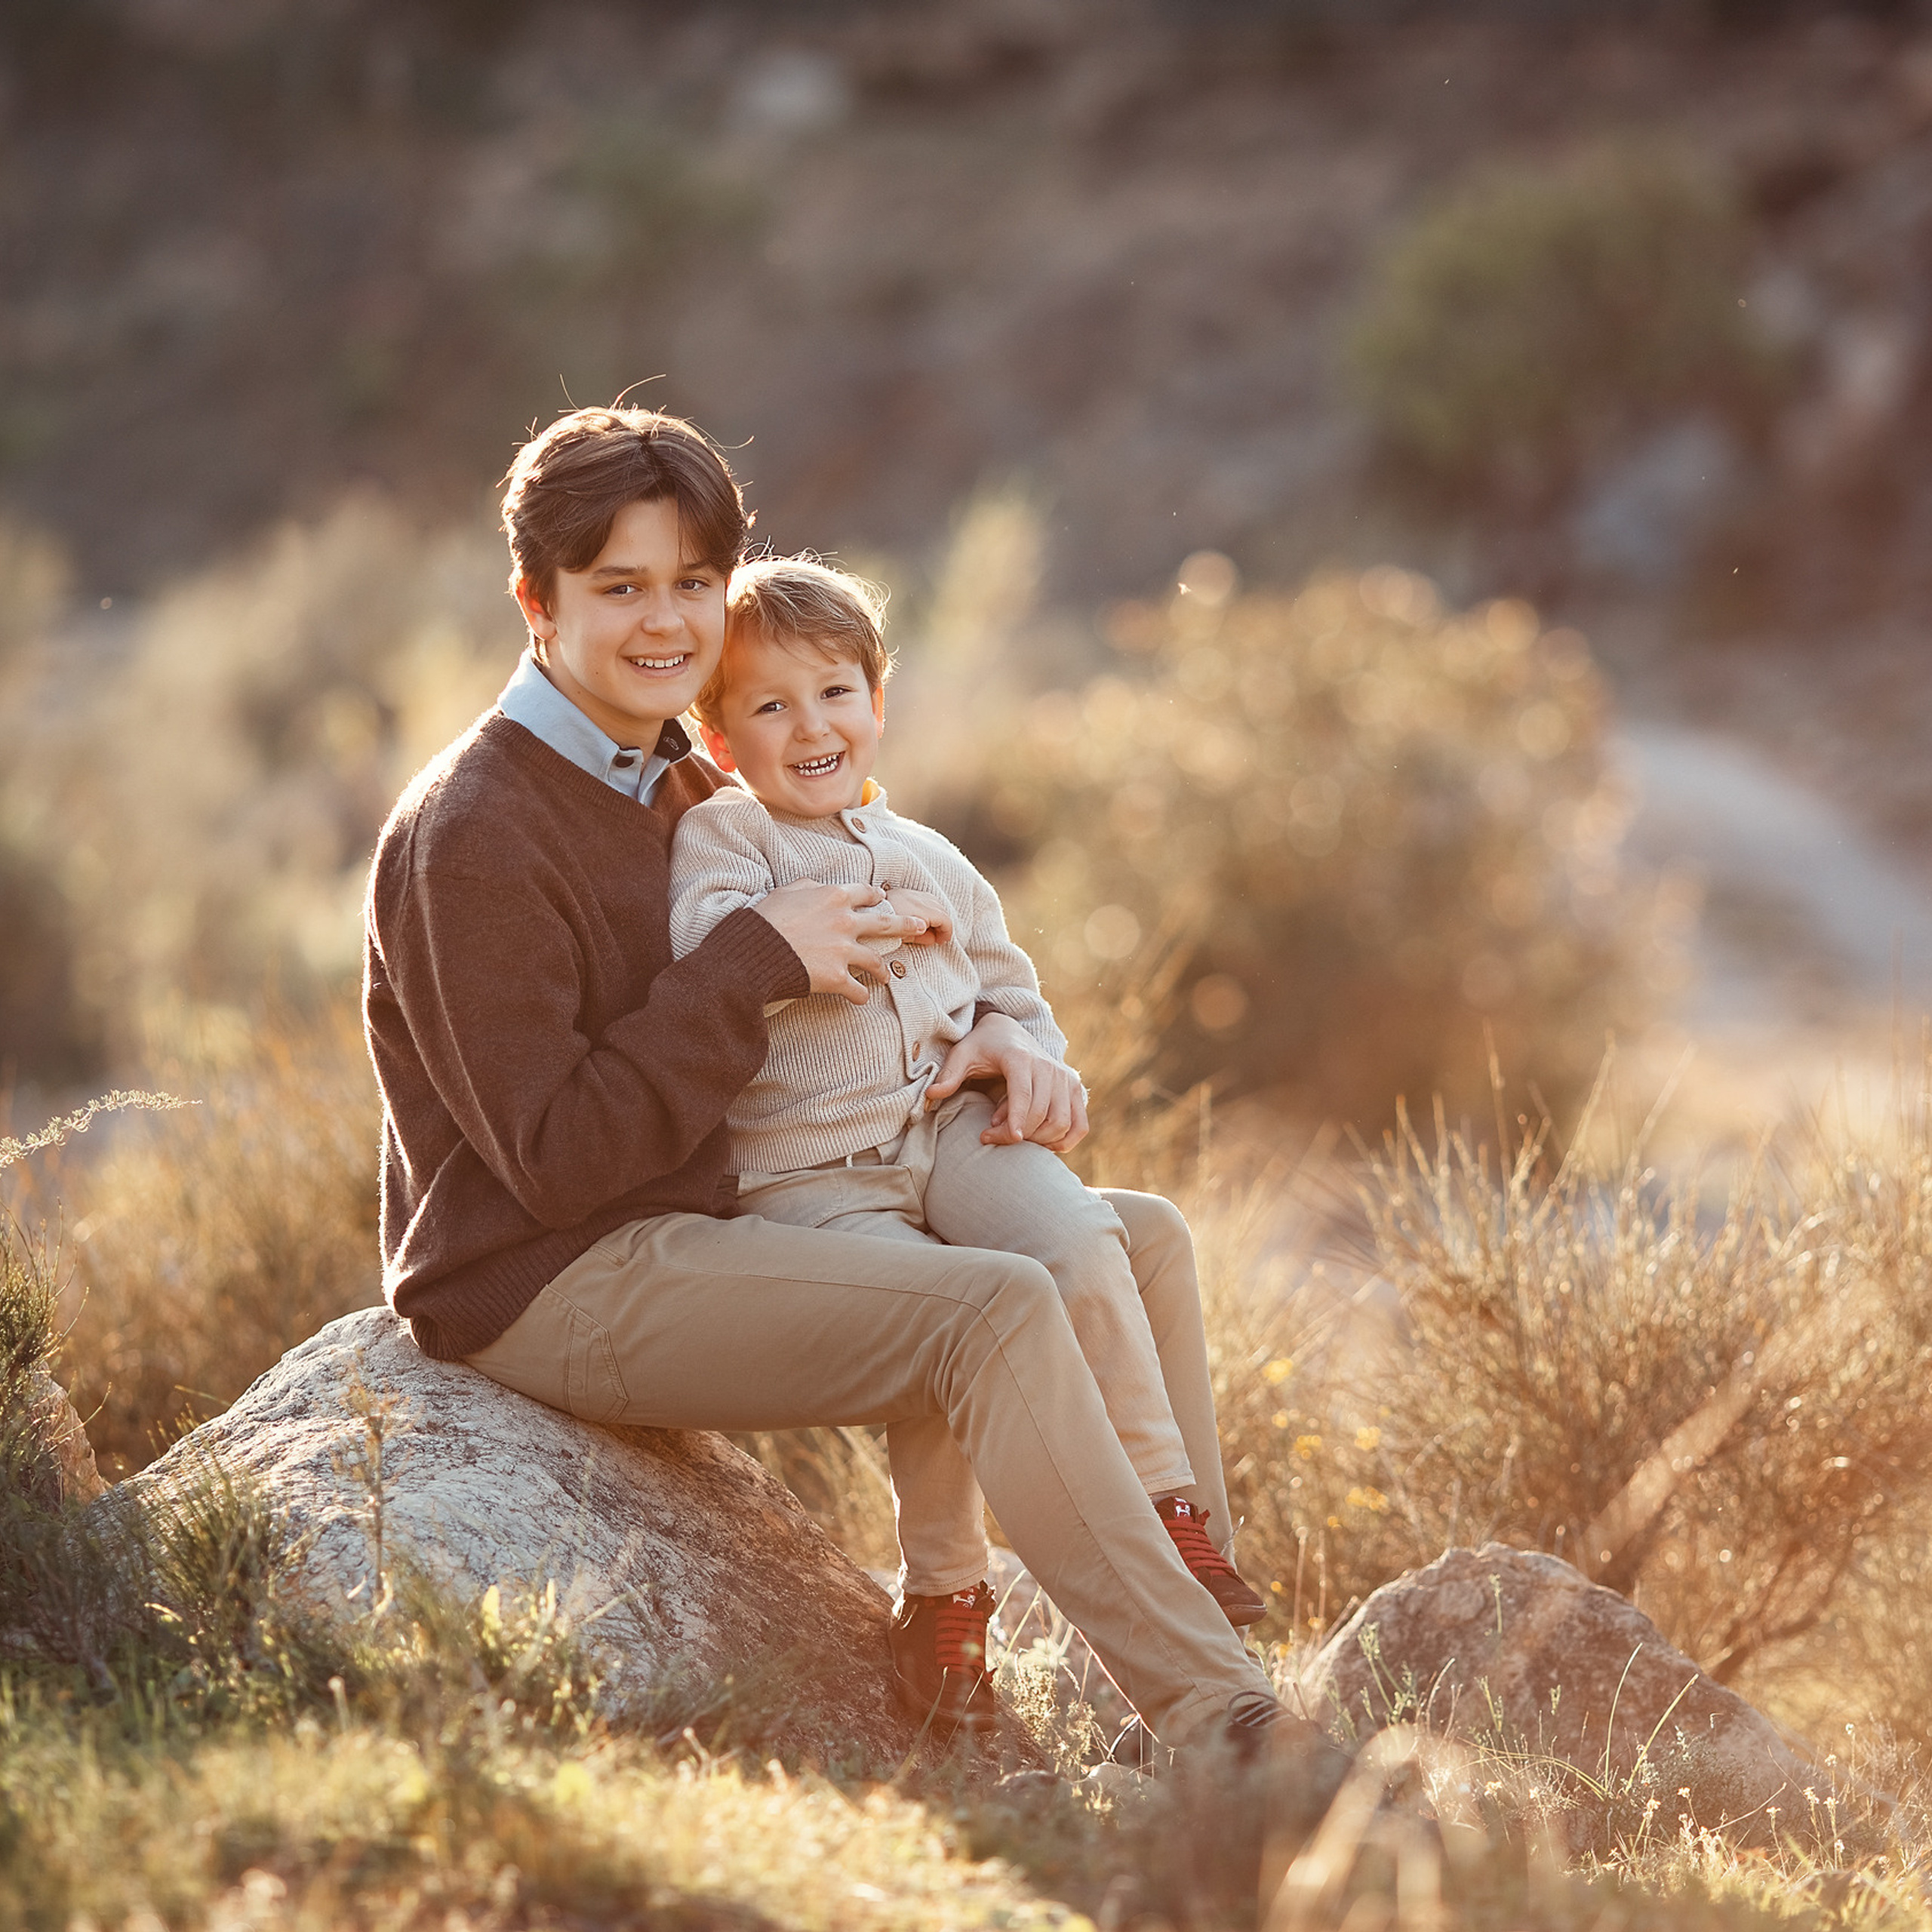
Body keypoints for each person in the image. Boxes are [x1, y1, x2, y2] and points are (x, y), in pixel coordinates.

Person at [361, 401, 1286, 1751]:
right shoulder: (478, 829)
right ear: (535, 601)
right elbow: (554, 1161)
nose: (667, 622)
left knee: (1134, 1242)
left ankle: (1196, 1616)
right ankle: (1226, 1726)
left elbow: (863, 978)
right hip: (556, 1271)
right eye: (620, 587)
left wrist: (988, 1043)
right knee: (991, 1310)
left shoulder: (681, 774)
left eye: (694, 583)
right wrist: (752, 963)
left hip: (712, 1205)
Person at [666, 553, 1269, 1685]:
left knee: (1079, 1235)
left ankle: (1166, 1510)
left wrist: (1021, 1052)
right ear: (720, 739)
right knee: (944, 1314)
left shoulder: (934, 857)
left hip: (951, 1134)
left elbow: (1013, 992)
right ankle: (945, 1598)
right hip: (814, 1173)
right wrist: (852, 922)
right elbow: (710, 952)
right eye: (771, 706)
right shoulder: (727, 839)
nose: (812, 725)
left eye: (836, 692)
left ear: (877, 704)